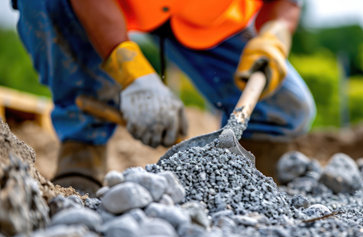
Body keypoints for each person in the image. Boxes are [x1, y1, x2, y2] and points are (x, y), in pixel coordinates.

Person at [13, 0, 316, 194]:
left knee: (284, 107)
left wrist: (275, 33)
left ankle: (252, 170)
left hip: (208, 20)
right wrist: (131, 72)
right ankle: (83, 150)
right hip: (110, 6)